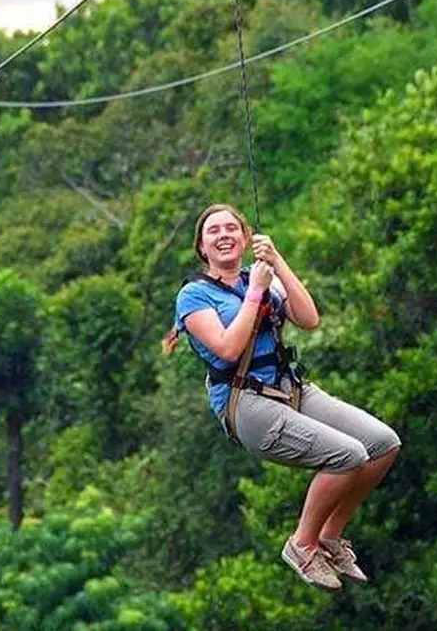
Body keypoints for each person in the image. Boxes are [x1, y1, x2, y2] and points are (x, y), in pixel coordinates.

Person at [164, 203, 401, 590]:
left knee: (383, 444)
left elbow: (309, 319)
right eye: (213, 231)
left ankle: (329, 536)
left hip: (289, 388)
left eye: (231, 229)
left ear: (244, 239)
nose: (224, 235)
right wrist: (256, 292)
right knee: (349, 456)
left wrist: (277, 263)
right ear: (202, 248)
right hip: (247, 404)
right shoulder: (194, 296)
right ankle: (302, 544)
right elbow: (227, 349)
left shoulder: (260, 277)